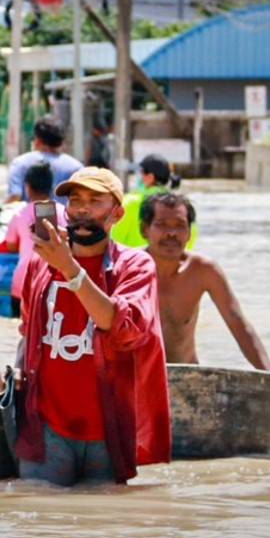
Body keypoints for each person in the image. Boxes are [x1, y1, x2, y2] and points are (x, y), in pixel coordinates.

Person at [18, 166, 170, 486]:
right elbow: (28, 327)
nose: (83, 209)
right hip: (47, 427)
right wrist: (17, 369)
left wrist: (70, 270)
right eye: (75, 200)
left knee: (101, 527)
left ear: (117, 213)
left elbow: (122, 327)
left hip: (107, 430)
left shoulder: (136, 265)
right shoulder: (41, 263)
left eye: (95, 201)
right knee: (37, 516)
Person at [141, 192, 270, 370]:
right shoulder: (129, 269)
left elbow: (237, 323)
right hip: (140, 377)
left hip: (187, 377)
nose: (171, 233)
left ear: (189, 233)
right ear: (144, 230)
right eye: (162, 225)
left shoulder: (203, 271)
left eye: (180, 226)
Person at [0, 161, 66, 322]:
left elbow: (11, 244)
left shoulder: (19, 214)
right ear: (51, 186)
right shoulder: (64, 213)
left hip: (23, 284)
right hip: (54, 284)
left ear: (27, 186)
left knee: (21, 335)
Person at [113, 153, 194, 249]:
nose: (139, 178)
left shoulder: (129, 202)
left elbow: (114, 239)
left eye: (141, 173)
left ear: (150, 177)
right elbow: (191, 237)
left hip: (133, 262)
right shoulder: (180, 205)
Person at [6, 116, 84, 207]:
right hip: (66, 220)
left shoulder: (20, 163)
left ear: (37, 141)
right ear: (62, 142)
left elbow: (15, 197)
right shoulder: (77, 167)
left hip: (29, 219)